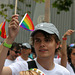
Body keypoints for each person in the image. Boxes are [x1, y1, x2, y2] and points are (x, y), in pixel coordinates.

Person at [0, 14, 70, 75]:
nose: (42, 44)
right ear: (33, 44)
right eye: (38, 40)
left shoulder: (64, 73)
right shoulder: (22, 67)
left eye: (47, 40)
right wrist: (10, 38)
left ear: (57, 44)